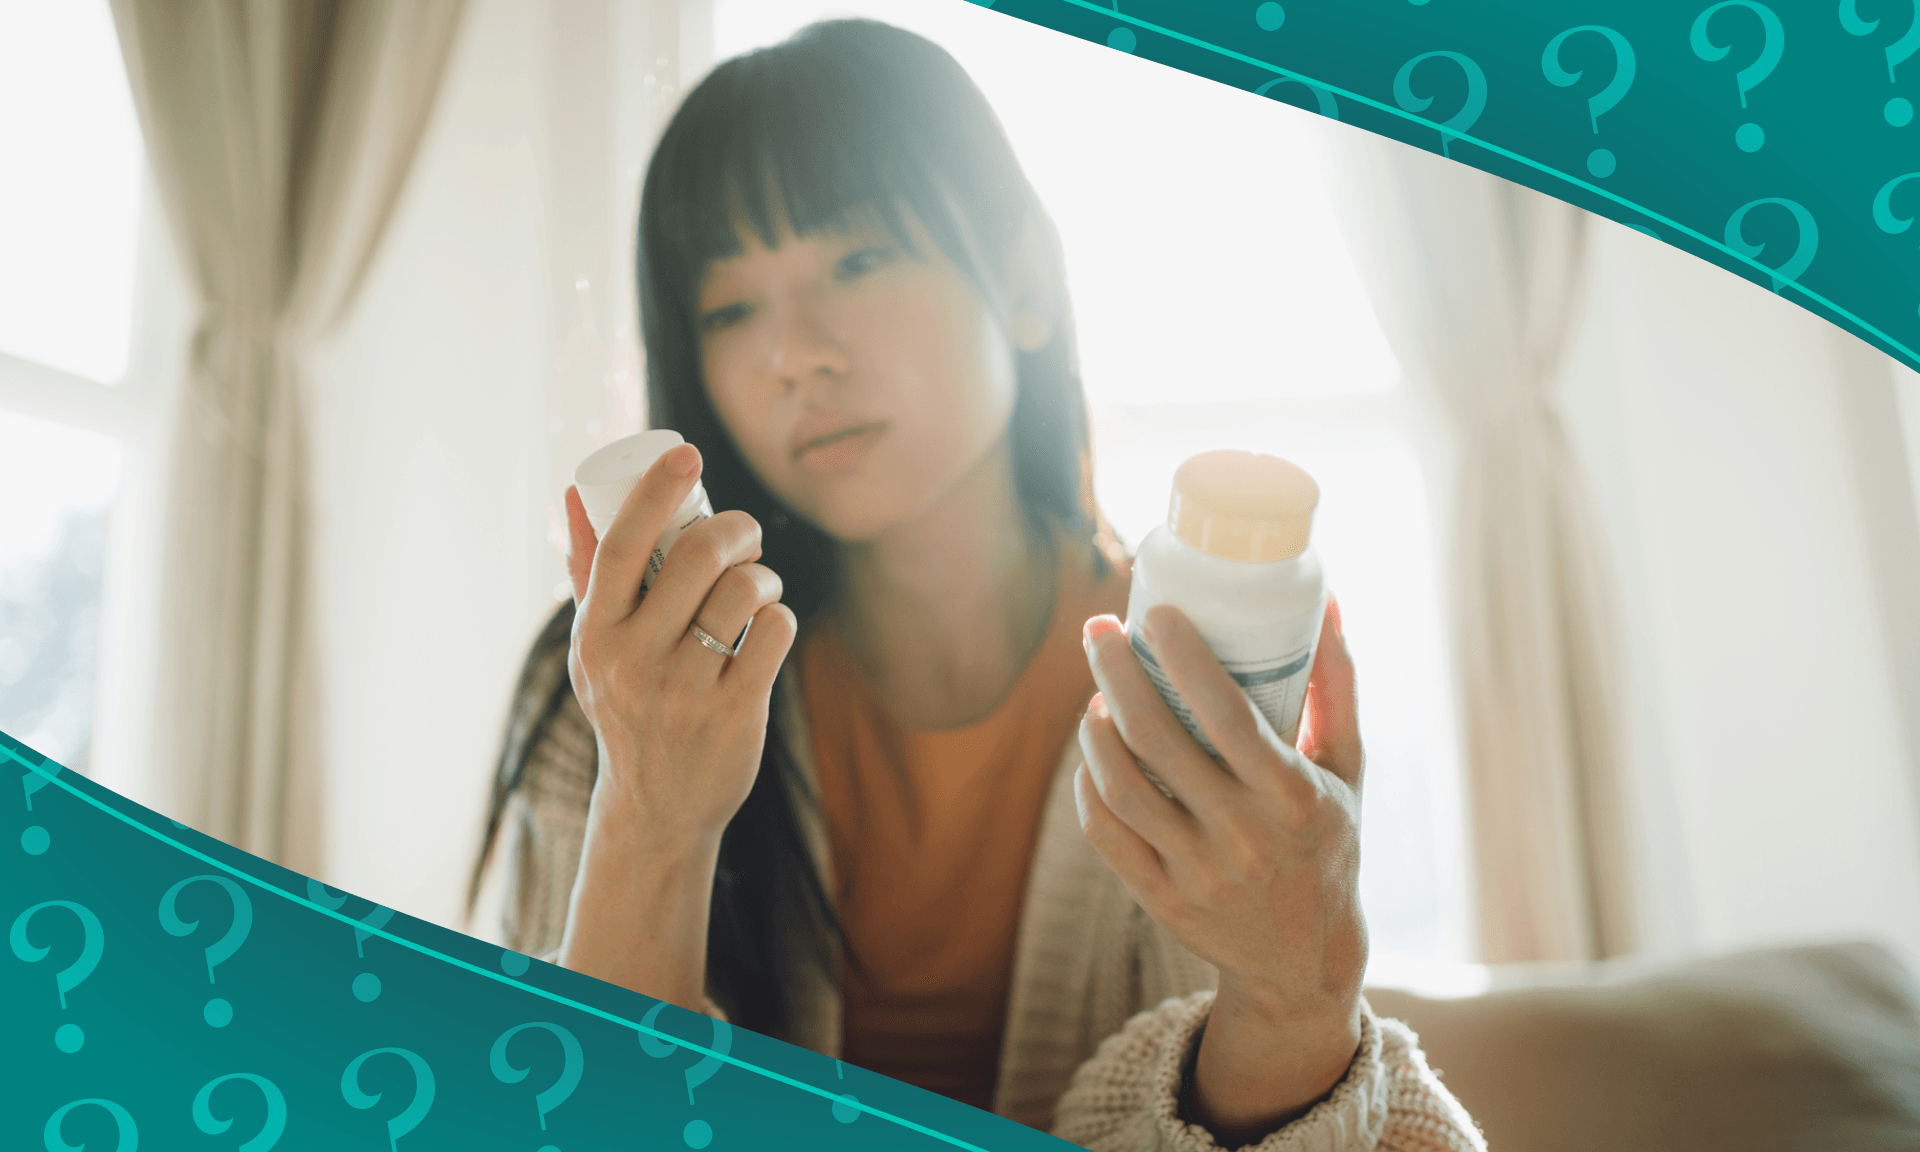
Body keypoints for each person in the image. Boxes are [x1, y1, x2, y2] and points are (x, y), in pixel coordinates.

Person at [466, 18, 1483, 1152]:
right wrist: (650, 815)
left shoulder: (1199, 668)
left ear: (1026, 284)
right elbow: (561, 1118)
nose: (795, 353)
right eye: (730, 308)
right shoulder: (627, 687)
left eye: (857, 257)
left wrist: (1300, 998)